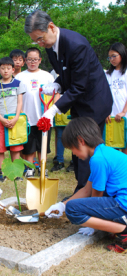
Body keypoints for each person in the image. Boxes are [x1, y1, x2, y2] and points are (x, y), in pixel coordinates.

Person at [24, 10, 113, 192]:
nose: (40, 44)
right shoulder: (50, 46)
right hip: (79, 101)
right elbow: (66, 74)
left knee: (86, 148)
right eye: (35, 41)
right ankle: (81, 188)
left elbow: (80, 85)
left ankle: (90, 192)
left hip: (94, 102)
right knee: (76, 147)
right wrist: (57, 85)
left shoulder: (76, 44)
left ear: (51, 27)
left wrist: (53, 110)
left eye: (40, 38)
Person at [45, 117, 127, 253]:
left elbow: (96, 196)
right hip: (122, 201)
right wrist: (61, 205)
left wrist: (93, 224)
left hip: (123, 203)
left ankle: (123, 231)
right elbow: (87, 189)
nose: (73, 154)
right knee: (69, 205)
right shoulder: (104, 152)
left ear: (80, 141)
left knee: (73, 209)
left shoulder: (98, 159)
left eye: (72, 148)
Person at [15, 47, 54, 177]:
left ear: (40, 60)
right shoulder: (20, 76)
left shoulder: (47, 76)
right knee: (29, 146)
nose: (33, 62)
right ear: (25, 60)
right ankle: (30, 168)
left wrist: (54, 110)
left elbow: (56, 93)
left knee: (43, 146)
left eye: (35, 59)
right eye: (30, 59)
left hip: (44, 118)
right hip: (27, 117)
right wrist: (20, 112)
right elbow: (16, 96)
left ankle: (43, 168)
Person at [0, 57, 25, 182]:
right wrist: (0, 118)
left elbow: (20, 102)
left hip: (15, 120)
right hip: (0, 120)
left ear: (13, 70)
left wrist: (16, 118)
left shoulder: (18, 84)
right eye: (3, 68)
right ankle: (2, 172)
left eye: (8, 68)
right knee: (0, 148)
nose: (6, 71)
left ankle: (17, 173)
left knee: (15, 147)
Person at [105, 42, 127, 154]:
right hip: (111, 117)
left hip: (124, 117)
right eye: (109, 57)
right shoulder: (108, 74)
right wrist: (106, 112)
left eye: (114, 56)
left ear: (122, 55)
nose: (111, 59)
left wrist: (123, 112)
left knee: (125, 146)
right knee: (112, 147)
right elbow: (105, 94)